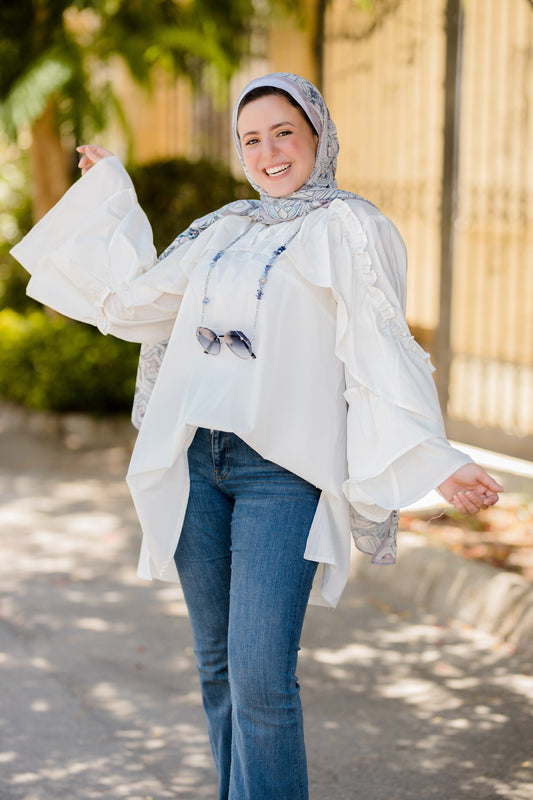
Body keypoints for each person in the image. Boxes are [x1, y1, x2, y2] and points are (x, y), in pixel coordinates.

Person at [11, 72, 503, 800]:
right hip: (196, 462)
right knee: (216, 666)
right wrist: (111, 196)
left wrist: (438, 458)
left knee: (260, 677)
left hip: (282, 474)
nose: (268, 152)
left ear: (317, 136)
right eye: (251, 139)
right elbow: (135, 302)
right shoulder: (224, 227)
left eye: (283, 133)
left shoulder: (348, 226)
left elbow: (379, 348)